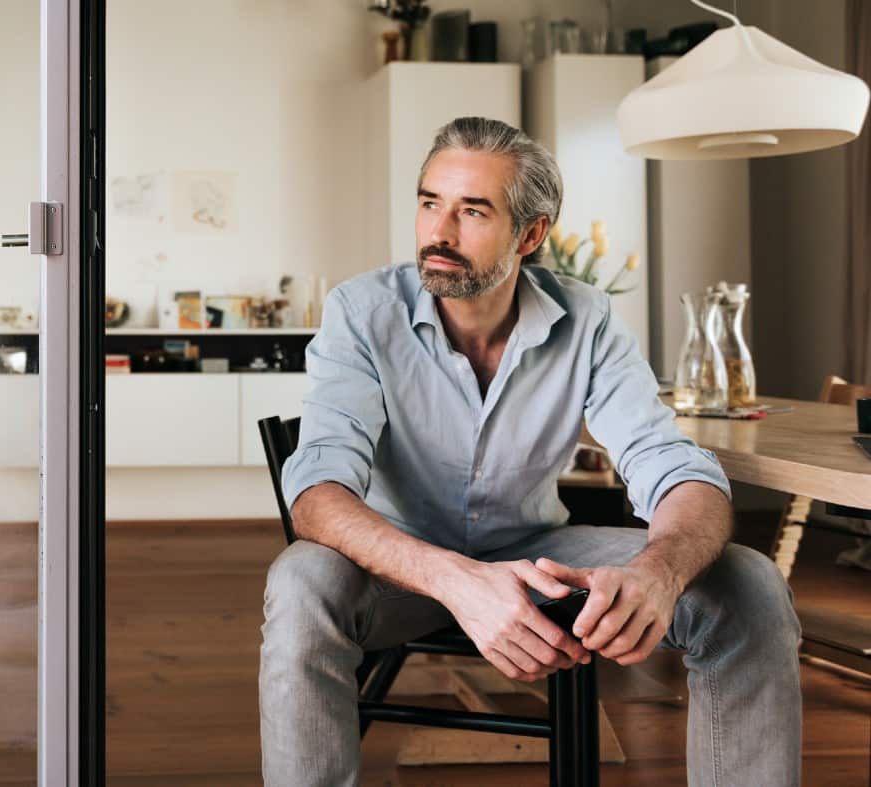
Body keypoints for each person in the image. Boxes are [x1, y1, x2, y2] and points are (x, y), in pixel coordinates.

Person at [259, 116, 801, 787]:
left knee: (748, 585)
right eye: (430, 202)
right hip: (404, 567)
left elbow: (670, 463)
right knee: (299, 576)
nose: (440, 232)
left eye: (472, 211)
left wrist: (658, 573)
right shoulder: (362, 311)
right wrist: (457, 579)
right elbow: (317, 491)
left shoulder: (588, 318)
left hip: (541, 554)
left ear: (533, 233)